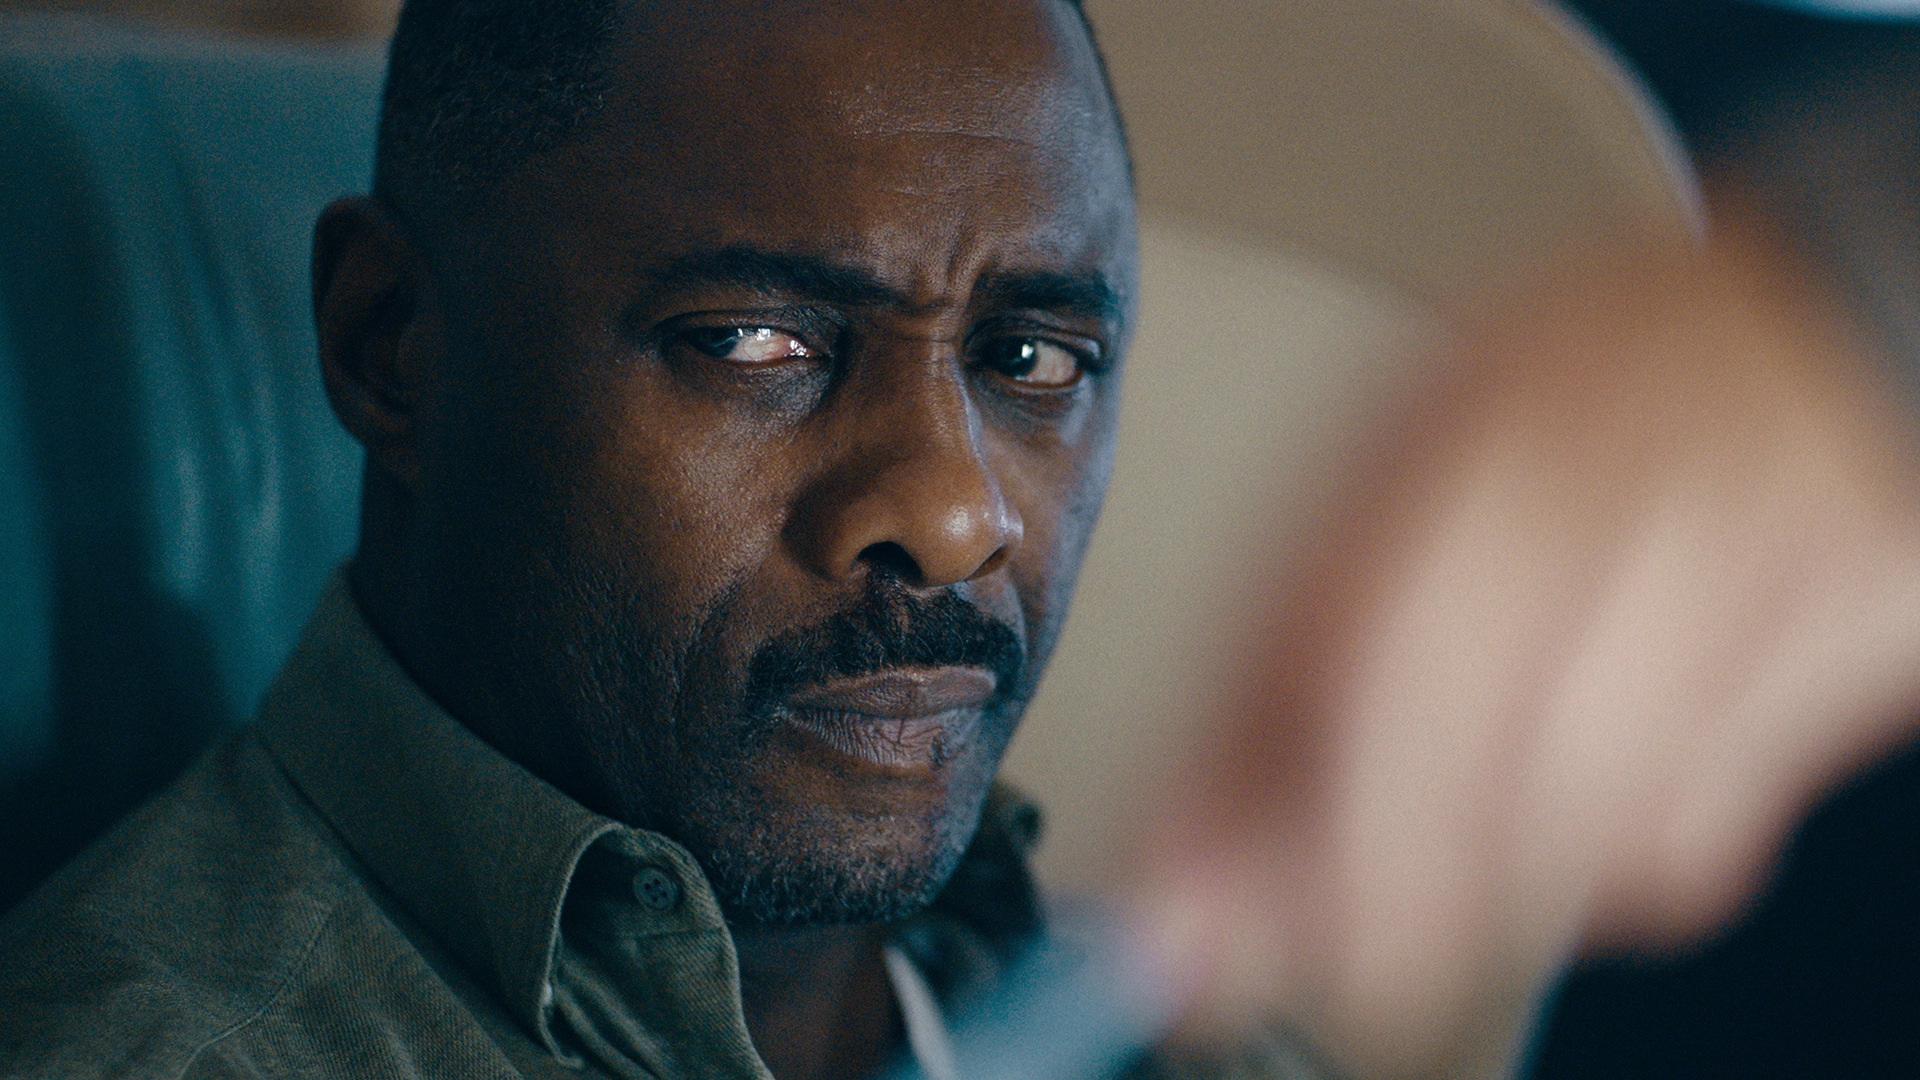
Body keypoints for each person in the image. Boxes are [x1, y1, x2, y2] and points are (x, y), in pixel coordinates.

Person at [0, 1, 1147, 1077]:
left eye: (1031, 358)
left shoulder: (1093, 995)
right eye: (750, 342)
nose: (952, 521)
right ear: (385, 343)